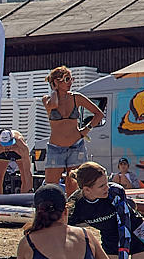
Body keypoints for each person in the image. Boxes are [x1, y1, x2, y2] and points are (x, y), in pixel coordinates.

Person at [69, 161, 144, 259]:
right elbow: (66, 234)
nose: (106, 188)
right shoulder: (76, 204)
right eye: (101, 186)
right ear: (87, 190)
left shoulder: (115, 192)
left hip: (138, 238)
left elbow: (124, 230)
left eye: (106, 183)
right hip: (110, 242)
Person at [41, 66, 106, 195]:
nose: (70, 82)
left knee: (75, 183)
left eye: (71, 79)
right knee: (51, 186)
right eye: (67, 79)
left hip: (76, 145)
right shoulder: (47, 99)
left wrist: (86, 130)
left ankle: (73, 209)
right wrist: (54, 91)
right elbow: (53, 105)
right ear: (56, 82)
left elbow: (99, 114)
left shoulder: (77, 98)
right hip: (56, 147)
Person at [0, 129, 33, 197]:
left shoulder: (21, 146)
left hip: (18, 151)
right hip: (2, 153)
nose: (7, 148)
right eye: (4, 145)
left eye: (8, 145)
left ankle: (24, 197)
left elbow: (27, 172)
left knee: (24, 177)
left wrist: (30, 190)